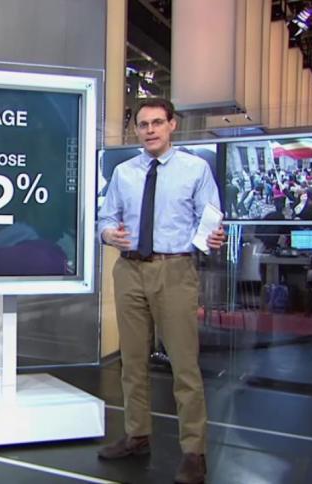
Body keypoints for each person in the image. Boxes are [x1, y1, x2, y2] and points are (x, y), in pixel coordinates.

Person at [96, 97, 225, 484]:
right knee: (132, 361)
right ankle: (137, 435)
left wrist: (212, 238)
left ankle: (194, 452)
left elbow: (210, 220)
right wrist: (109, 234)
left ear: (172, 125)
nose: (149, 130)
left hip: (175, 270)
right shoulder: (123, 173)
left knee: (184, 365)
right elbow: (105, 218)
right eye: (143, 124)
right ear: (136, 129)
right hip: (129, 270)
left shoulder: (195, 169)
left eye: (156, 122)